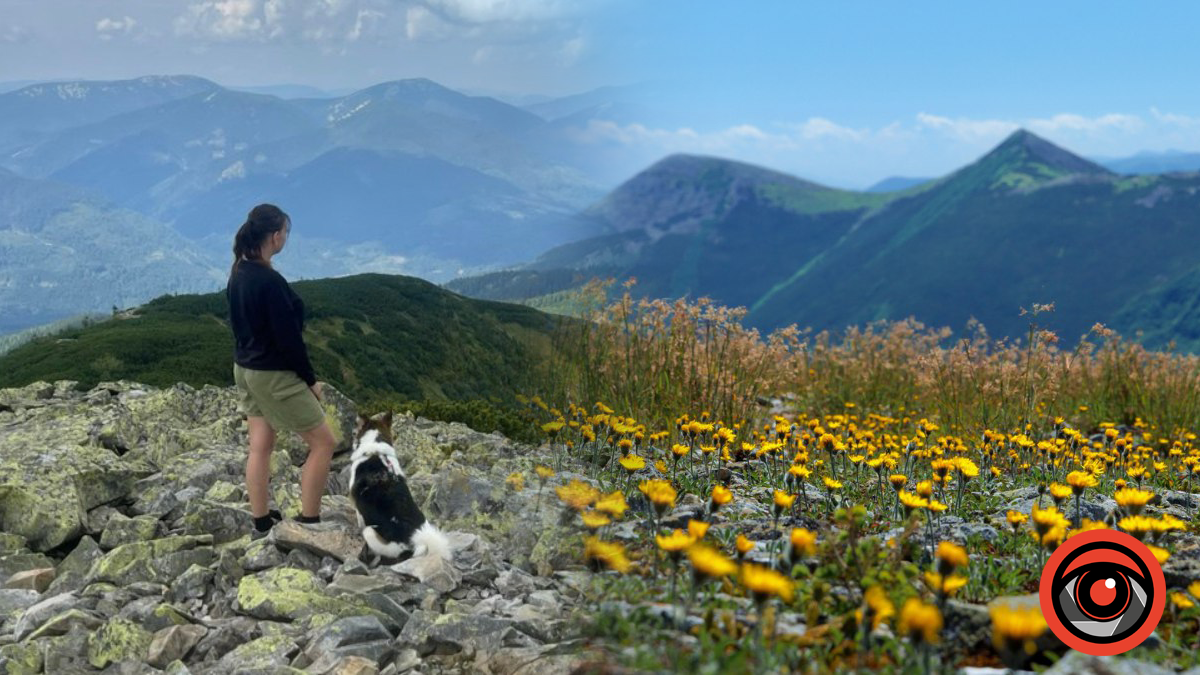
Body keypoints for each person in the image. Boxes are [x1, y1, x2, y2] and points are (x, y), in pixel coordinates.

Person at [226, 203, 336, 539]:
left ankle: (261, 520)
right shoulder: (270, 281)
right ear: (275, 236)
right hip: (273, 373)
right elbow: (289, 341)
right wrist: (310, 380)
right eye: (285, 232)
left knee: (260, 444)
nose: (285, 237)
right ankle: (310, 521)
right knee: (324, 443)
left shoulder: (239, 271)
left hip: (244, 368)